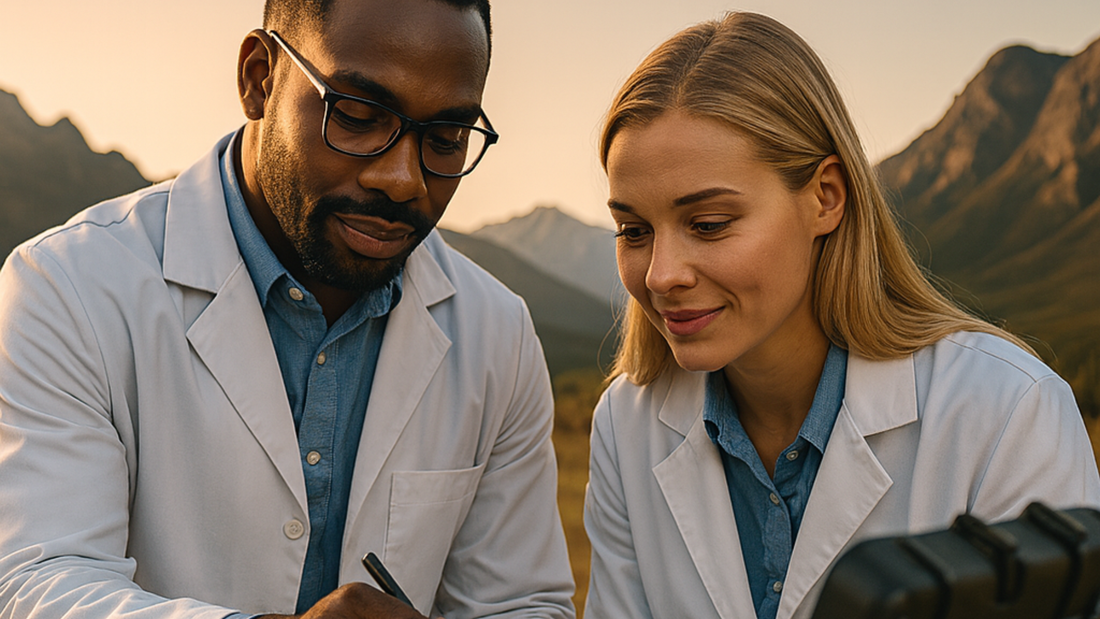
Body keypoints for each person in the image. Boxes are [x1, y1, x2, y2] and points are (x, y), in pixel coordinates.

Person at [0, 1, 575, 618]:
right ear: (260, 77)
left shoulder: (499, 333)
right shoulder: (68, 286)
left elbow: (520, 605)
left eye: (445, 139)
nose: (403, 178)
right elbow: (40, 583)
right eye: (357, 116)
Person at [583, 11, 1100, 619]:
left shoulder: (1009, 412)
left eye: (709, 224)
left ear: (825, 197)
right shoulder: (626, 423)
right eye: (633, 230)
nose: (661, 274)